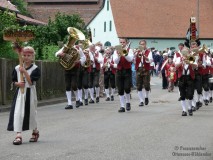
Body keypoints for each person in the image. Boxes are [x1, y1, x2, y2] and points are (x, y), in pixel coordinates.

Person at [7, 46, 41, 145]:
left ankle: (35, 131)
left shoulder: (35, 69)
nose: (26, 57)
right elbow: (14, 81)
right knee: (18, 113)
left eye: (28, 55)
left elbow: (31, 83)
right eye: (24, 55)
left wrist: (25, 72)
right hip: (20, 93)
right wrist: (18, 84)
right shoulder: (17, 68)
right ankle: (18, 135)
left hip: (30, 92)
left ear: (32, 56)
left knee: (31, 113)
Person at [55, 41, 86, 109]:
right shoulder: (65, 47)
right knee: (67, 86)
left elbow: (83, 57)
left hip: (75, 68)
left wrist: (79, 61)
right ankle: (69, 103)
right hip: (67, 68)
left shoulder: (77, 48)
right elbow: (56, 53)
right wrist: (60, 54)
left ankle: (77, 99)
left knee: (74, 85)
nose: (70, 42)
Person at [175, 47, 198, 116]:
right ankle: (184, 110)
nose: (185, 53)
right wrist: (182, 61)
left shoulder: (191, 57)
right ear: (182, 53)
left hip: (189, 78)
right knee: (182, 95)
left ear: (188, 52)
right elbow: (176, 66)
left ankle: (190, 108)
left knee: (190, 94)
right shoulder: (179, 58)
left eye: (186, 52)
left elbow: (195, 67)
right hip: (181, 78)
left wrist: (190, 62)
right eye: (183, 52)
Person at [113, 38, 133, 112]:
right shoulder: (116, 51)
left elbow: (130, 59)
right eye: (121, 42)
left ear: (126, 43)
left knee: (127, 88)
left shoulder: (130, 50)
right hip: (119, 71)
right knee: (120, 89)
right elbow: (115, 61)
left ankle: (128, 102)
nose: (122, 43)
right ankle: (122, 106)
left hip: (127, 71)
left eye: (123, 42)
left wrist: (124, 53)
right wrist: (118, 55)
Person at [134, 40, 153, 106]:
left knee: (147, 85)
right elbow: (133, 60)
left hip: (146, 69)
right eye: (141, 44)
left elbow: (149, 60)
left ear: (145, 44)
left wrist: (144, 55)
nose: (142, 45)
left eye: (143, 44)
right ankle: (141, 101)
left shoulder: (149, 52)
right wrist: (135, 53)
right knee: (139, 86)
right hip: (138, 69)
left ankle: (146, 97)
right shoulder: (137, 52)